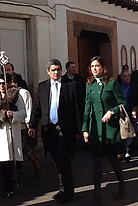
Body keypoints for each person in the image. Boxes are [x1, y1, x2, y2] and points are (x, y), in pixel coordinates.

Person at [28, 59, 81, 204]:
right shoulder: (43, 87)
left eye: (58, 69)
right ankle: (63, 187)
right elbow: (37, 108)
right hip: (49, 130)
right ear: (48, 72)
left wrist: (79, 130)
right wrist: (32, 125)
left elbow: (77, 109)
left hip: (65, 130)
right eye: (53, 70)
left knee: (64, 160)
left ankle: (69, 192)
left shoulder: (70, 86)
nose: (56, 72)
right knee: (56, 160)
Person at [82, 56, 127, 205]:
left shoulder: (112, 83)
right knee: (96, 162)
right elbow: (87, 108)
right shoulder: (89, 84)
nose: (94, 68)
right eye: (92, 66)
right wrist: (85, 129)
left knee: (113, 159)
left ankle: (121, 184)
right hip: (96, 130)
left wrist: (112, 111)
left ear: (103, 68)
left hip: (110, 129)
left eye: (97, 66)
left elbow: (123, 102)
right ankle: (97, 193)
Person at [10, 73, 40, 178]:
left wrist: (29, 122)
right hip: (14, 124)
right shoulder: (10, 93)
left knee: (27, 149)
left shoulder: (24, 92)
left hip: (23, 124)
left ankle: (37, 166)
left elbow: (29, 107)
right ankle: (15, 172)